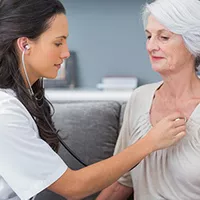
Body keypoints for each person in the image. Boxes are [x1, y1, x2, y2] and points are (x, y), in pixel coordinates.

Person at [0, 0, 186, 200]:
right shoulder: (6, 114)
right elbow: (74, 187)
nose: (66, 53)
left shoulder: (19, 100)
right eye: (58, 42)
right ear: (25, 44)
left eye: (164, 37)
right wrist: (150, 142)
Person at [96, 0, 200, 199]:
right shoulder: (140, 98)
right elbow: (120, 182)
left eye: (163, 37)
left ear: (192, 42)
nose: (151, 46)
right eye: (149, 36)